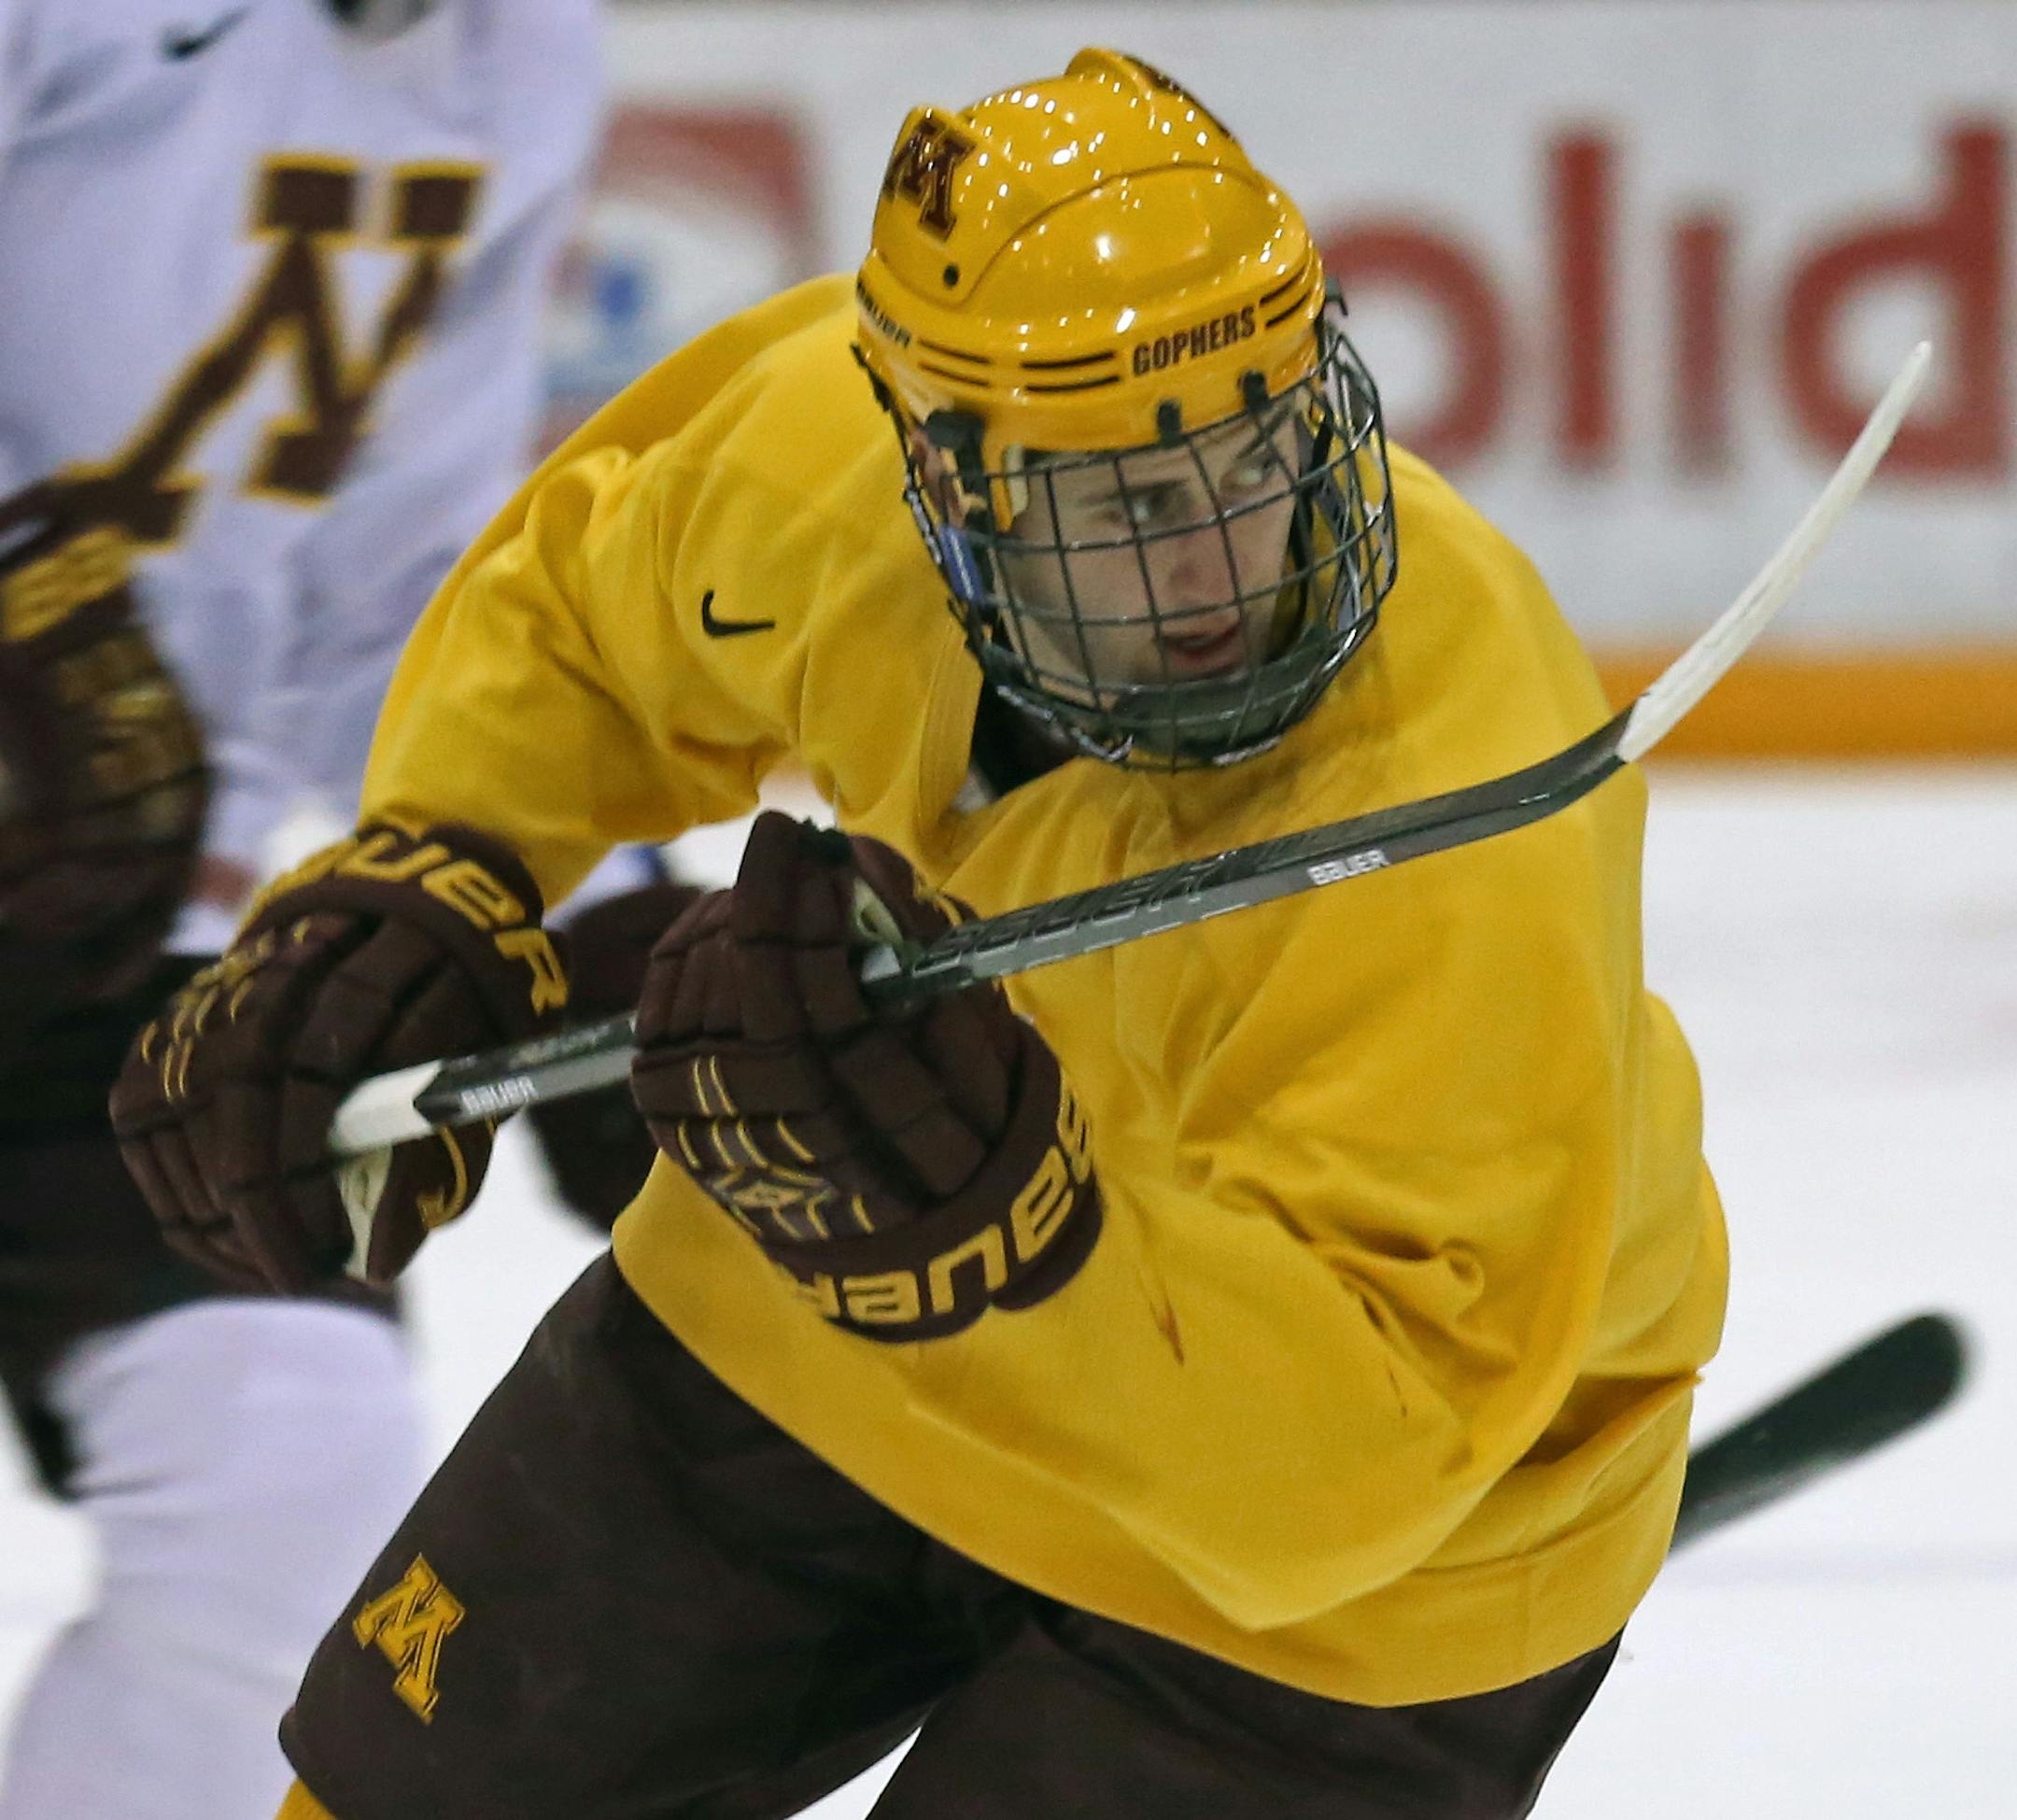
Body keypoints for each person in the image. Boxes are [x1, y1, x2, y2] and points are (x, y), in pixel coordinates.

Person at [110, 48, 1730, 1820]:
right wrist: (440, 871)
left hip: (1369, 1559)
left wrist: (1002, 1243)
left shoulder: (1463, 785)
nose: (1219, 572)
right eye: (1124, 511)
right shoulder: (830, 482)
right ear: (953, 487)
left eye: (1257, 463)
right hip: (859, 1278)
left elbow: (1355, 1463)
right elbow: (583, 621)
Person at [0, 3, 605, 1814]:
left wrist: (585, 889)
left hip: (125, 947)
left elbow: (398, 596)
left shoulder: (522, 54)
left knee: (301, 1477)